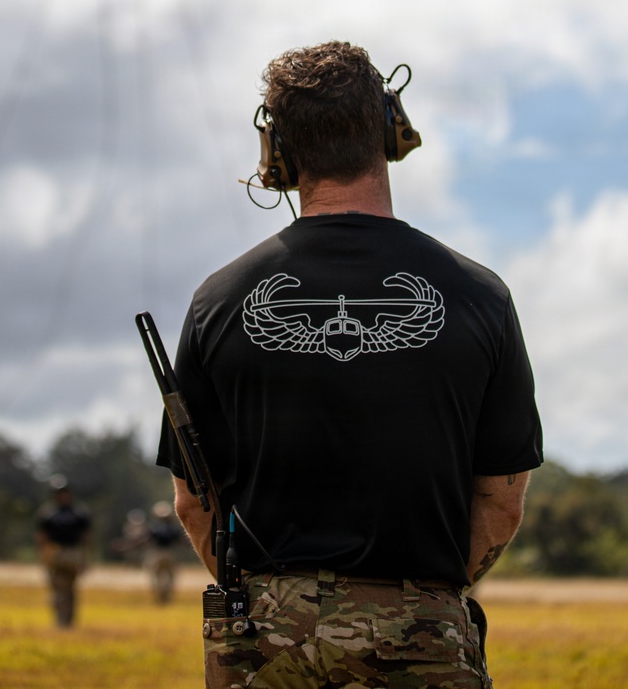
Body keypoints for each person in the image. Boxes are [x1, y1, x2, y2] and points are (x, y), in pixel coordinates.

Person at [157, 41, 543, 689]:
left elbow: (194, 505)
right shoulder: (481, 296)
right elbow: (502, 503)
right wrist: (420, 604)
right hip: (427, 629)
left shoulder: (216, 302)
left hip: (265, 641)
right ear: (393, 132)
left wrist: (273, 602)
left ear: (275, 151)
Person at [35, 474, 91, 627]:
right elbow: (42, 538)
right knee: (61, 589)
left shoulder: (52, 513)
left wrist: (85, 558)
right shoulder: (53, 514)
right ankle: (63, 620)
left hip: (68, 553)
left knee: (67, 589)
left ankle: (66, 621)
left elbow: (85, 538)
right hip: (58, 552)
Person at [145, 500, 182, 604]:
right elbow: (179, 541)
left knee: (156, 576)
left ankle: (159, 596)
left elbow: (147, 539)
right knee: (170, 577)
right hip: (170, 553)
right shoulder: (173, 528)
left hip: (156, 553)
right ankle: (167, 596)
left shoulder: (154, 527)